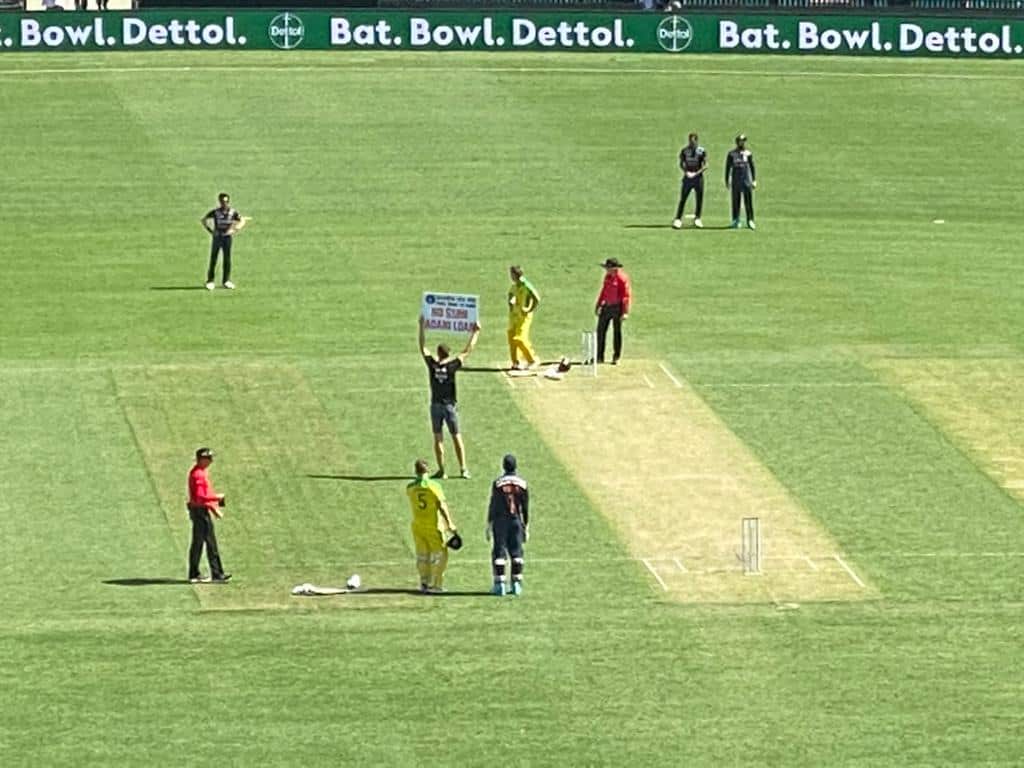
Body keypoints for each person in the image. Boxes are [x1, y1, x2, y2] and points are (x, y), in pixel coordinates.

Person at [418, 315, 481, 479]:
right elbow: (467, 351)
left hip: (435, 405)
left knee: (438, 438)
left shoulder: (432, 365)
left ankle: (442, 470)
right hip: (450, 406)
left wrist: (421, 327)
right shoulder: (452, 366)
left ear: (438, 353)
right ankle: (463, 469)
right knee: (456, 436)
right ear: (448, 354)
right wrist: (475, 332)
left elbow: (422, 347)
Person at [406, 458, 458, 593]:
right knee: (441, 555)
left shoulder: (410, 488)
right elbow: (441, 505)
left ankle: (424, 582)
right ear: (428, 470)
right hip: (433, 526)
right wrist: (450, 523)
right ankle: (436, 585)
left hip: (417, 525)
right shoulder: (434, 486)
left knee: (422, 555)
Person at [486, 454, 530, 596]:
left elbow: (493, 504)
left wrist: (489, 523)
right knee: (516, 552)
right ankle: (516, 584)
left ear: (503, 466)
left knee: (499, 552)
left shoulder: (498, 483)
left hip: (500, 521)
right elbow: (525, 506)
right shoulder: (522, 483)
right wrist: (526, 525)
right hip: (516, 520)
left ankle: (500, 585)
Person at [186, 448, 231, 584]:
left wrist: (213, 508)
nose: (211, 461)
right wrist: (217, 498)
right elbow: (201, 497)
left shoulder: (198, 472)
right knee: (210, 543)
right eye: (209, 458)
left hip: (198, 510)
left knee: (198, 543)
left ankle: (194, 573)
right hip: (200, 511)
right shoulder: (199, 475)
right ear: (202, 459)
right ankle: (217, 574)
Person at [200, 192, 247, 290]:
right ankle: (210, 280)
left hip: (227, 238)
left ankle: (226, 281)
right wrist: (211, 231)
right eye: (222, 202)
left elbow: (242, 220)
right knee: (214, 258)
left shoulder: (232, 212)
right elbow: (204, 220)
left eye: (226, 202)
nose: (224, 204)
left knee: (227, 259)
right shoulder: (216, 212)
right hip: (217, 237)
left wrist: (234, 229)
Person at [594, 258, 632, 365]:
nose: (606, 270)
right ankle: (599, 356)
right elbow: (604, 291)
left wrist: (625, 312)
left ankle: (616, 357)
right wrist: (598, 304)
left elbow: (626, 296)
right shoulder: (607, 277)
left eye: (608, 268)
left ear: (614, 269)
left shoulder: (622, 279)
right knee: (600, 331)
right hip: (606, 306)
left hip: (617, 308)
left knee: (617, 332)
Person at [506, 265, 541, 370]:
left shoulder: (526, 285)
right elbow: (510, 294)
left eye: (511, 274)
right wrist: (511, 302)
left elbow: (537, 298)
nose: (510, 276)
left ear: (515, 274)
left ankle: (532, 360)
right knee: (511, 337)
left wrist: (529, 309)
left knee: (520, 339)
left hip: (524, 317)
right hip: (514, 316)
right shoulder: (515, 285)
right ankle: (516, 362)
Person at [673, 132, 707, 230]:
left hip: (698, 178)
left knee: (699, 198)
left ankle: (698, 218)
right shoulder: (685, 151)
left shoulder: (701, 151)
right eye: (690, 141)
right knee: (683, 198)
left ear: (696, 141)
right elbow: (681, 163)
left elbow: (705, 165)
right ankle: (678, 219)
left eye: (693, 141)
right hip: (687, 178)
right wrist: (686, 172)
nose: (691, 143)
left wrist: (696, 174)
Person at [725, 134, 757, 230]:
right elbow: (728, 168)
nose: (742, 143)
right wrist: (727, 180)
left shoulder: (748, 153)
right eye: (740, 141)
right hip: (736, 181)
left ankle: (750, 220)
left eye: (743, 141)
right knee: (736, 201)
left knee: (748, 201)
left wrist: (754, 180)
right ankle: (736, 220)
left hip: (746, 180)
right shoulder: (731, 154)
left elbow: (752, 167)